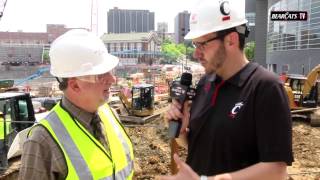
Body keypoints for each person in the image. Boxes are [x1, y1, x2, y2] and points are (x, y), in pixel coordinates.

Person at [161, 0, 293, 179]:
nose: (196, 53)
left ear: (231, 40)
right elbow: (201, 145)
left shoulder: (265, 87)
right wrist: (182, 131)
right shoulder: (205, 83)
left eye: (203, 44)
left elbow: (276, 171)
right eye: (195, 45)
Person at [19, 29, 134, 180]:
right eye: (101, 74)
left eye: (110, 71)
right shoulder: (42, 141)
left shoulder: (110, 115)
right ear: (74, 86)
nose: (112, 79)